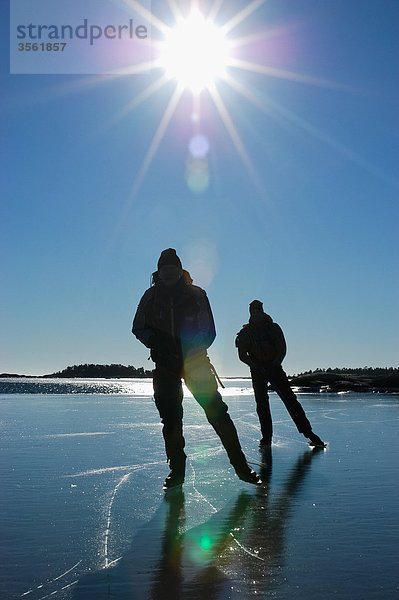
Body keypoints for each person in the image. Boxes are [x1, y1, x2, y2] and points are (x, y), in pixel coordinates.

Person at [132, 249, 261, 490]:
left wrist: (192, 347)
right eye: (164, 268)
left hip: (196, 364)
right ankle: (176, 473)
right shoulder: (150, 296)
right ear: (159, 272)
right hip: (165, 366)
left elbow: (209, 330)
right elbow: (138, 327)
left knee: (217, 413)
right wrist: (157, 342)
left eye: (173, 267)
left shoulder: (196, 294)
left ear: (180, 269)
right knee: (171, 421)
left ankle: (242, 467)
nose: (168, 272)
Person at [235, 300, 326, 448]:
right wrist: (256, 366)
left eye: (258, 309)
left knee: (290, 400)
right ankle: (266, 438)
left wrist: (274, 364)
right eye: (253, 310)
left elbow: (282, 348)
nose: (256, 312)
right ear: (250, 312)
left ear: (262, 310)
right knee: (262, 405)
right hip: (257, 371)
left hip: (275, 368)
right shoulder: (245, 333)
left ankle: (309, 433)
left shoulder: (273, 328)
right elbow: (242, 355)